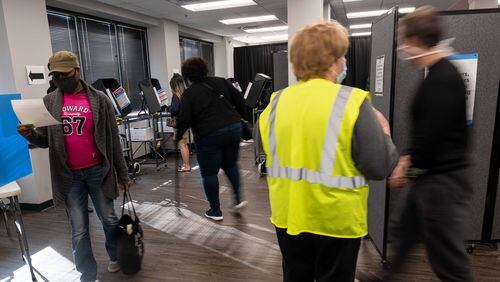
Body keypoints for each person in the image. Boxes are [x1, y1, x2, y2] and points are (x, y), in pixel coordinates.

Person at [258, 21, 399, 281]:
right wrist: (386, 133)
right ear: (333, 60)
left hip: (288, 217)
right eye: (342, 55)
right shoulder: (352, 102)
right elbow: (379, 166)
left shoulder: (275, 104)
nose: (345, 61)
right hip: (336, 221)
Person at [17, 51, 131, 282]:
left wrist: (123, 174)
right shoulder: (50, 101)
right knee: (79, 229)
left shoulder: (100, 100)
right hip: (69, 176)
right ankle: (86, 274)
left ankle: (115, 255)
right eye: (55, 76)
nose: (60, 79)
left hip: (98, 170)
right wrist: (30, 135)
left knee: (108, 219)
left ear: (77, 71)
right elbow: (45, 140)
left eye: (64, 74)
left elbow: (113, 141)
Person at [382, 6, 475, 281]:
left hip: (442, 182)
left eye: (405, 42)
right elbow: (427, 130)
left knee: (447, 258)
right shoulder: (439, 73)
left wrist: (406, 168)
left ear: (416, 41)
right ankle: (388, 277)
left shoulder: (442, 79)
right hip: (431, 176)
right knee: (405, 230)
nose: (403, 49)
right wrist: (408, 160)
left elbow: (431, 139)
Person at [175, 57, 247, 221]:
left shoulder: (189, 94)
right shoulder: (221, 81)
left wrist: (178, 136)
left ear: (187, 76)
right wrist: (240, 119)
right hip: (233, 128)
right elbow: (240, 101)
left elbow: (184, 118)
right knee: (230, 165)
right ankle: (238, 200)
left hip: (208, 134)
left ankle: (215, 210)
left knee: (209, 173)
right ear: (205, 69)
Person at [168, 73, 191, 172]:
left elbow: (174, 110)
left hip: (178, 122)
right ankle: (186, 164)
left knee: (182, 145)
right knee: (184, 144)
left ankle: (186, 166)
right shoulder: (185, 94)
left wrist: (167, 108)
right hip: (185, 122)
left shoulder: (175, 96)